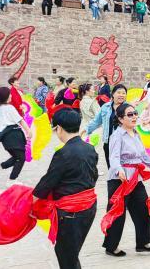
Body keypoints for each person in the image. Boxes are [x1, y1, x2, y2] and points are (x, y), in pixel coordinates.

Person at [32, 109, 98, 268]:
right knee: (71, 252)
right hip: (89, 207)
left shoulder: (63, 153)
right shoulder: (89, 148)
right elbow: (93, 175)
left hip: (70, 212)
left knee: (66, 255)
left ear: (59, 128)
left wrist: (30, 201)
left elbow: (48, 182)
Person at [103, 103, 150, 257]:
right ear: (121, 119)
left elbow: (144, 156)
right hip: (119, 180)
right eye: (129, 114)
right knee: (117, 213)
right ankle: (111, 246)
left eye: (135, 113)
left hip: (135, 178)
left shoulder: (137, 133)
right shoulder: (117, 136)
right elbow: (113, 157)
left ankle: (142, 243)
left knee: (143, 208)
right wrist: (119, 169)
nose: (134, 116)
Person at [0, 87, 32, 185]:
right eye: (9, 94)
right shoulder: (9, 107)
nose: (11, 95)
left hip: (5, 137)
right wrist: (29, 131)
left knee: (16, 157)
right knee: (21, 158)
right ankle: (12, 180)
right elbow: (20, 120)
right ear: (4, 96)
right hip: (13, 135)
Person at [84, 84, 128, 169]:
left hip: (124, 143)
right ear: (113, 94)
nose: (121, 95)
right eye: (119, 92)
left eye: (124, 93)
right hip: (108, 142)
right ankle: (113, 181)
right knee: (111, 168)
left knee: (123, 168)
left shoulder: (129, 108)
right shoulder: (105, 107)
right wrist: (86, 129)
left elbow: (134, 123)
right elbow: (97, 121)